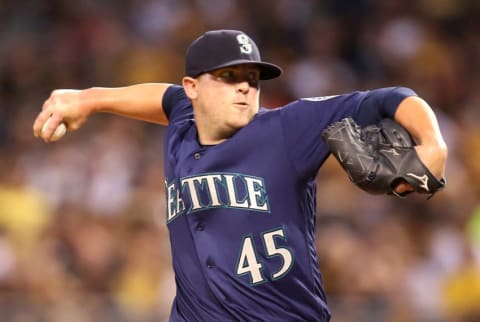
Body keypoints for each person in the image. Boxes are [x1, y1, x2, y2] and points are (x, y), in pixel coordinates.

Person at [33, 29, 448, 321]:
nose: (245, 88)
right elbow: (160, 97)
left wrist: (433, 144)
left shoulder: (288, 128)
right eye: (228, 77)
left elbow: (393, 99)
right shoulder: (183, 118)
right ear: (193, 87)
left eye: (252, 79)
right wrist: (89, 98)